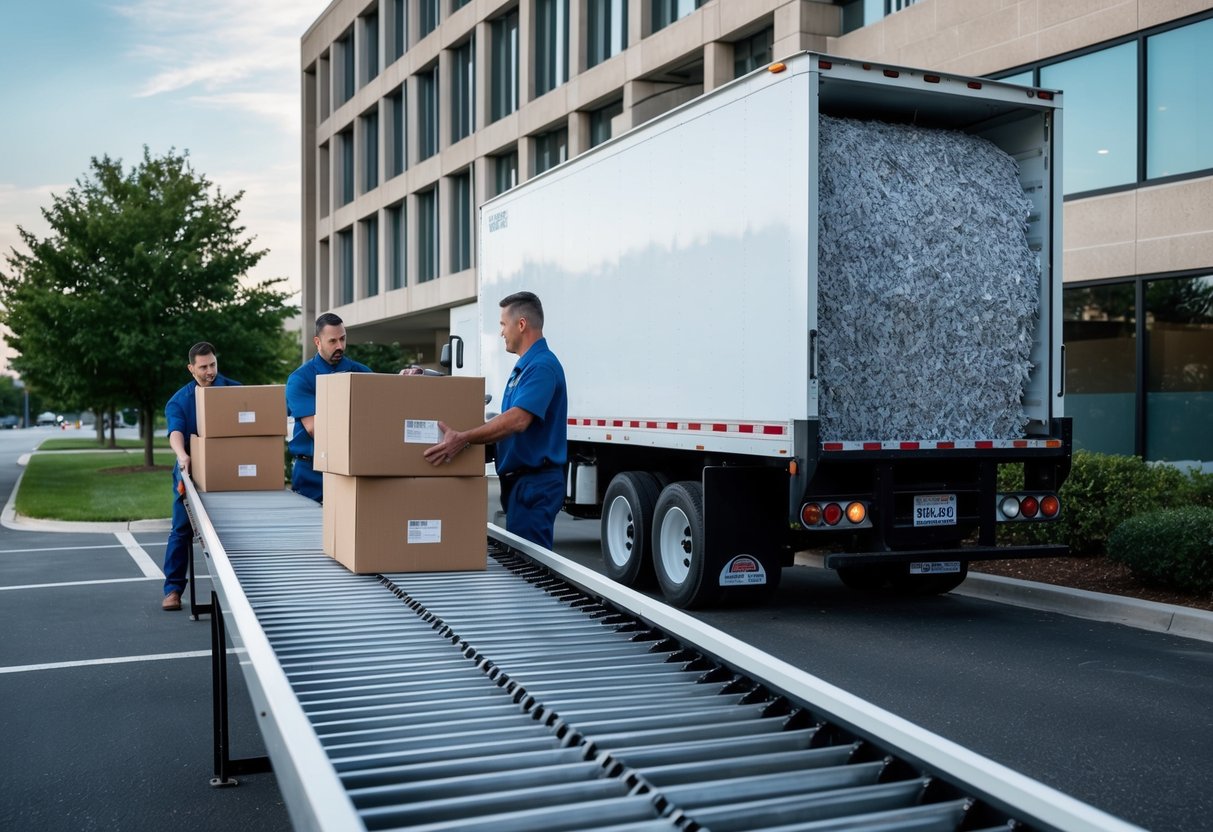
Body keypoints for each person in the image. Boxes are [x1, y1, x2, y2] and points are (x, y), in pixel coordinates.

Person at [424, 291, 567, 549]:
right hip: (521, 483)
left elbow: (517, 421)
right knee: (522, 563)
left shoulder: (542, 366)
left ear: (521, 324)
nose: (501, 332)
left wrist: (464, 437)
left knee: (529, 569)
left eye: (503, 324)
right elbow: (509, 419)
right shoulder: (526, 366)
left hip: (534, 484)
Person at [162, 342, 240, 611]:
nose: (210, 371)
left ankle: (240, 589)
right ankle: (172, 589)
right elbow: (175, 432)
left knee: (233, 531)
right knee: (181, 530)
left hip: (229, 469)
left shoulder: (234, 390)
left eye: (213, 365)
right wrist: (181, 455)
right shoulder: (180, 400)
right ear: (191, 368)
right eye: (203, 367)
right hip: (190, 470)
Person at [285, 313, 372, 502]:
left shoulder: (363, 374)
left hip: (353, 469)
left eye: (343, 339)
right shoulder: (300, 379)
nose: (339, 346)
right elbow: (316, 428)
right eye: (332, 341)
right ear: (317, 341)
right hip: (312, 473)